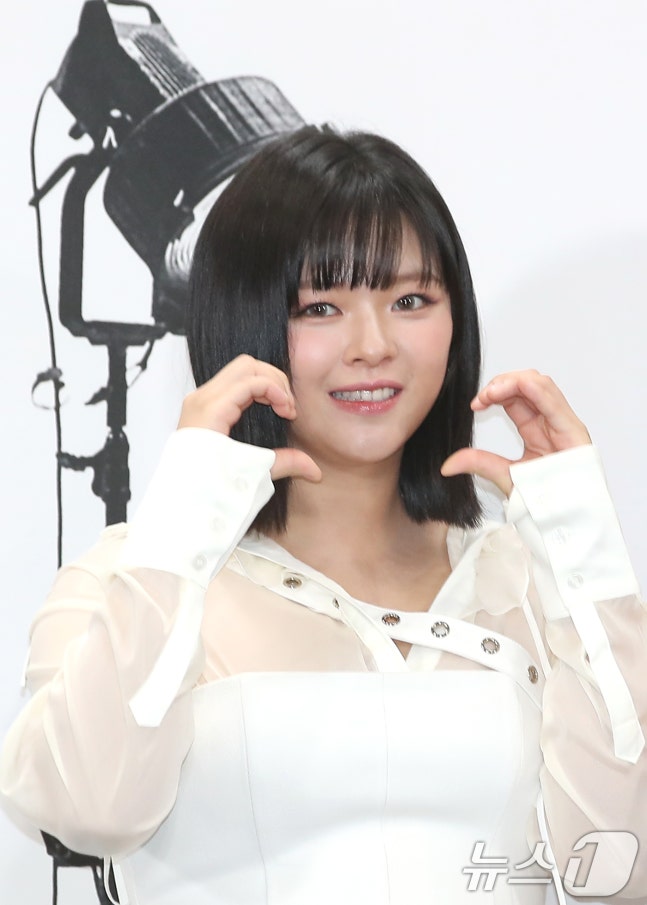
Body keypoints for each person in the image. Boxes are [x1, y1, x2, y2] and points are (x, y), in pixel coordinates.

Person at [1, 125, 646, 905]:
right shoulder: (134, 576)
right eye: (320, 306)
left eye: (410, 300)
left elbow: (618, 870)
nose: (372, 345)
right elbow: (85, 810)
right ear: (242, 322)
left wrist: (579, 550)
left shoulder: (527, 582)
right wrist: (182, 528)